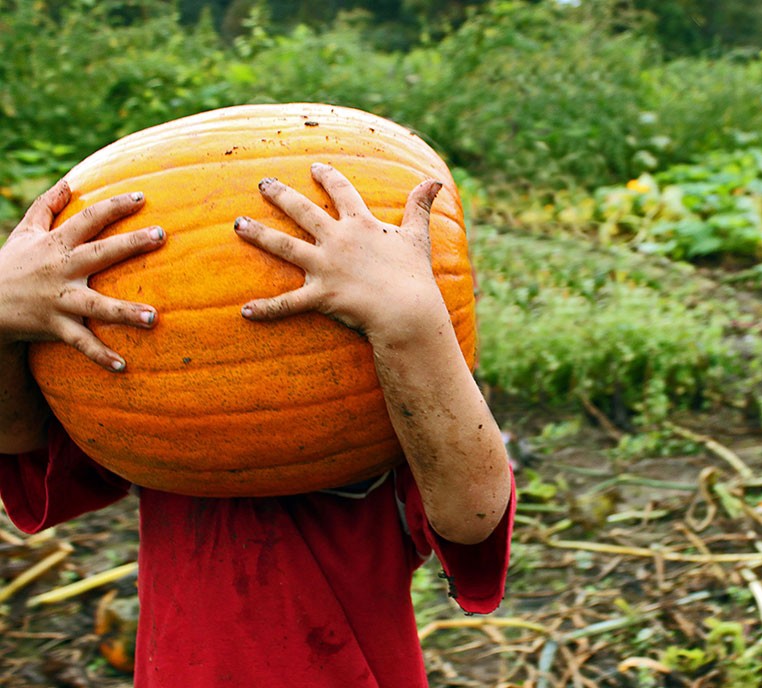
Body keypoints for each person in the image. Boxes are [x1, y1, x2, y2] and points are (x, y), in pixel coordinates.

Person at [0, 163, 516, 687]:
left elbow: (473, 511)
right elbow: (16, 434)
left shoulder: (400, 407)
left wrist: (407, 319)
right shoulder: (155, 396)